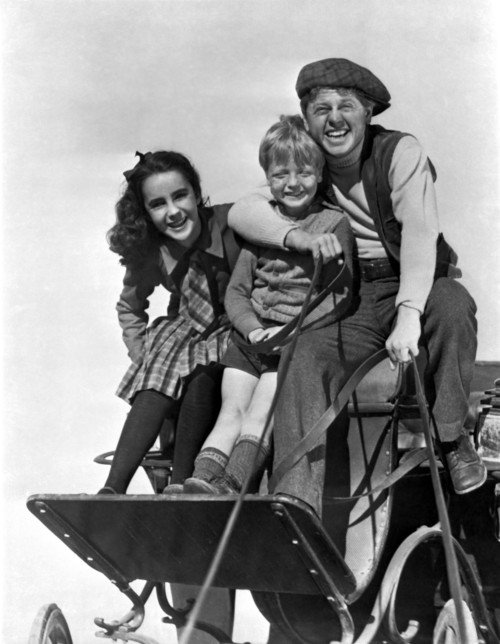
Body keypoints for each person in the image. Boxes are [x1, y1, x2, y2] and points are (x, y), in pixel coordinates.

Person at [228, 58, 486, 516]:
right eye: (321, 108)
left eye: (346, 106)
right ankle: (295, 504)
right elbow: (243, 211)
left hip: (412, 278)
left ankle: (450, 436)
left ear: (368, 113)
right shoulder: (308, 164)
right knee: (304, 355)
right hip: (351, 293)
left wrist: (409, 313)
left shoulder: (399, 151)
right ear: (306, 119)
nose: (334, 119)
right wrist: (296, 237)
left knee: (452, 305)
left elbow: (421, 236)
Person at [170, 115, 354, 496]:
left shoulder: (333, 224)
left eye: (303, 172)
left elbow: (339, 296)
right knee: (230, 413)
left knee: (259, 415)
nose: (292, 183)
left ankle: (233, 484)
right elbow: (236, 293)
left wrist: (290, 333)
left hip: (289, 344)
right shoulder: (262, 225)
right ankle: (200, 483)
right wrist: (253, 329)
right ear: (267, 178)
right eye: (280, 174)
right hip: (251, 342)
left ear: (320, 174)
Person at [99, 150, 240, 496]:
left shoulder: (231, 222)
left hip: (234, 324)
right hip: (190, 326)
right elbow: (130, 306)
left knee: (203, 375)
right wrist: (140, 352)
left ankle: (180, 484)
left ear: (196, 192)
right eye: (158, 204)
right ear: (146, 212)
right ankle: (113, 488)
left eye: (180, 196)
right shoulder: (153, 249)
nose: (173, 212)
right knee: (159, 368)